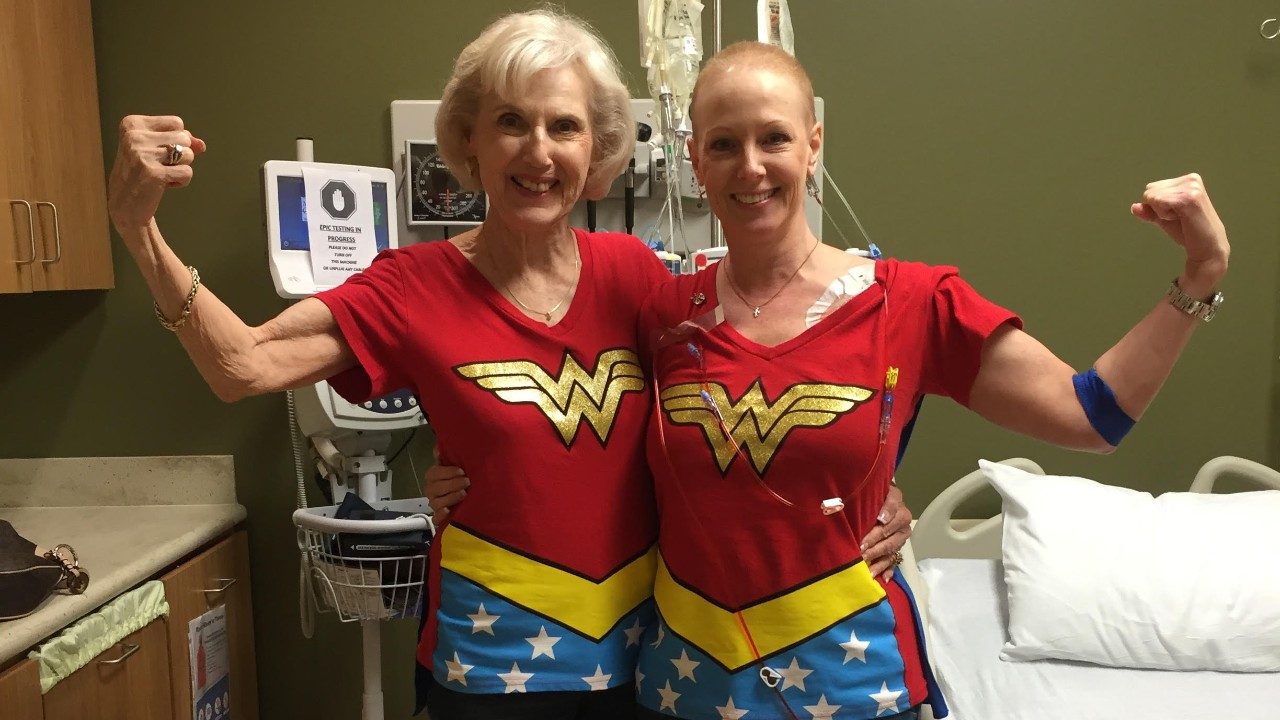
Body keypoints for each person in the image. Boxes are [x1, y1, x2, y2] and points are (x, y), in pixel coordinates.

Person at [106, 10, 912, 719]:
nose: (538, 151)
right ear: (468, 140)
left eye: (563, 127)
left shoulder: (638, 275)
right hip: (492, 664)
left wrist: (874, 485)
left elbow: (753, 381)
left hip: (646, 663)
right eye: (510, 123)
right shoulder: (411, 286)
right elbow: (242, 364)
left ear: (596, 147)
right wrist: (141, 232)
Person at [628, 42, 1230, 720]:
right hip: (684, 686)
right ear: (695, 161)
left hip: (855, 686)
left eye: (775, 137)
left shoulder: (909, 303)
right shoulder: (657, 315)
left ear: (814, 144)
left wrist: (1199, 276)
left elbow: (1090, 417)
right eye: (724, 144)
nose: (752, 166)